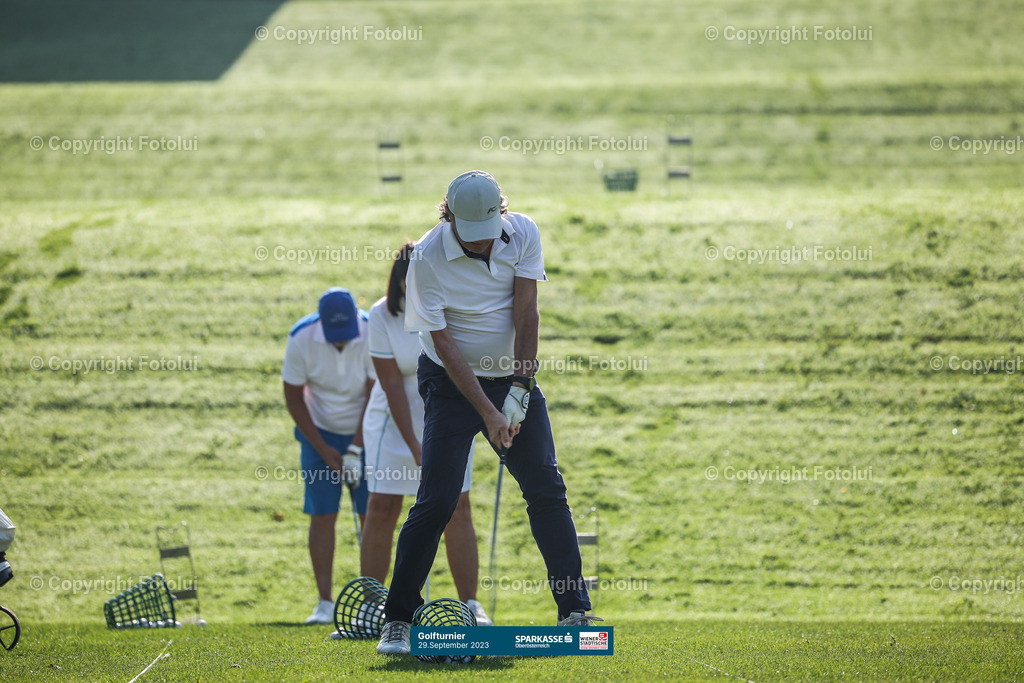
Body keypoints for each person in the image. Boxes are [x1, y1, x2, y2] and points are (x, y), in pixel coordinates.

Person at [377, 171, 601, 655]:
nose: (481, 247)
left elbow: (526, 312)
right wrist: (488, 412)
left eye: (487, 236)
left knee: (545, 486)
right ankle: (397, 620)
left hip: (511, 378)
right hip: (451, 385)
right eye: (470, 238)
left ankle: (574, 612)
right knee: (437, 499)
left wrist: (520, 387)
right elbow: (444, 344)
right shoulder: (428, 259)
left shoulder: (522, 232)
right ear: (448, 217)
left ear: (501, 214)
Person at [360, 242, 492, 626]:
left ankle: (471, 604)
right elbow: (392, 387)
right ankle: (373, 604)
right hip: (392, 426)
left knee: (457, 509)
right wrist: (416, 446)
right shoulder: (381, 316)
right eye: (409, 279)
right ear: (400, 279)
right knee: (382, 509)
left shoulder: (453, 310)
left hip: (449, 418)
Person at [282, 287, 374, 624]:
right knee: (322, 514)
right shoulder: (301, 337)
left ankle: (371, 602)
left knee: (371, 515)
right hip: (317, 433)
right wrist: (324, 448)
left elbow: (376, 391)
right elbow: (293, 397)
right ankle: (324, 603)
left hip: (366, 432)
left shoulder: (369, 330)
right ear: (321, 323)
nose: (341, 341)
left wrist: (355, 447)